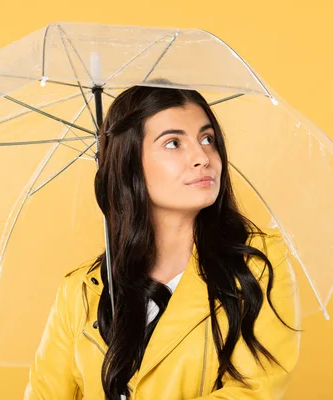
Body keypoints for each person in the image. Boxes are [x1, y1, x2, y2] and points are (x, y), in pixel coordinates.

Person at [24, 81, 302, 399]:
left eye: (207, 139)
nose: (203, 157)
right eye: (173, 143)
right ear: (130, 167)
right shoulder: (82, 291)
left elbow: (256, 390)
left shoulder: (255, 265)